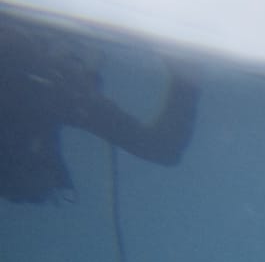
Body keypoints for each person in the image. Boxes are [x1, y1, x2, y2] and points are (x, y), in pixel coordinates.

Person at [0, 14, 199, 204]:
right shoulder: (59, 94)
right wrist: (185, 73)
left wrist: (185, 74)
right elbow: (161, 148)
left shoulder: (59, 94)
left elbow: (161, 148)